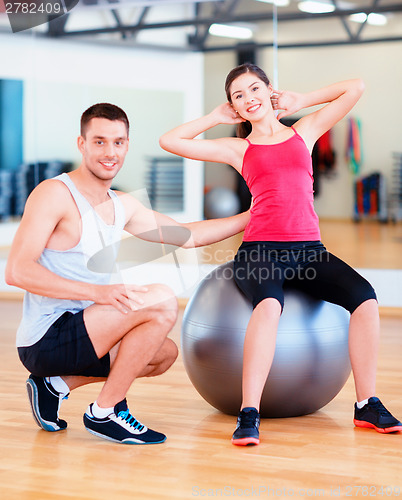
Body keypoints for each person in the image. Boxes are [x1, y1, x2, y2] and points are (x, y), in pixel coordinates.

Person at [159, 63, 402, 445]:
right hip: (260, 251)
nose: (248, 99)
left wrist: (302, 99)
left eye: (254, 89)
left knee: (366, 298)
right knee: (270, 304)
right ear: (234, 108)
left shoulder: (303, 133)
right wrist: (213, 116)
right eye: (238, 96)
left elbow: (355, 86)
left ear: (269, 91)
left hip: (310, 251)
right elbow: (170, 141)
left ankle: (366, 404)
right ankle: (249, 412)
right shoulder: (239, 148)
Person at [5, 103, 251, 445]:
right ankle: (104, 412)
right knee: (161, 300)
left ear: (127, 145)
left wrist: (257, 214)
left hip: (91, 326)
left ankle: (53, 385)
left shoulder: (122, 204)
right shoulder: (55, 195)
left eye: (118, 142)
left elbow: (188, 235)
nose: (110, 152)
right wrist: (98, 293)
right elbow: (17, 271)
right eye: (100, 142)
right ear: (82, 144)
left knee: (162, 354)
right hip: (46, 337)